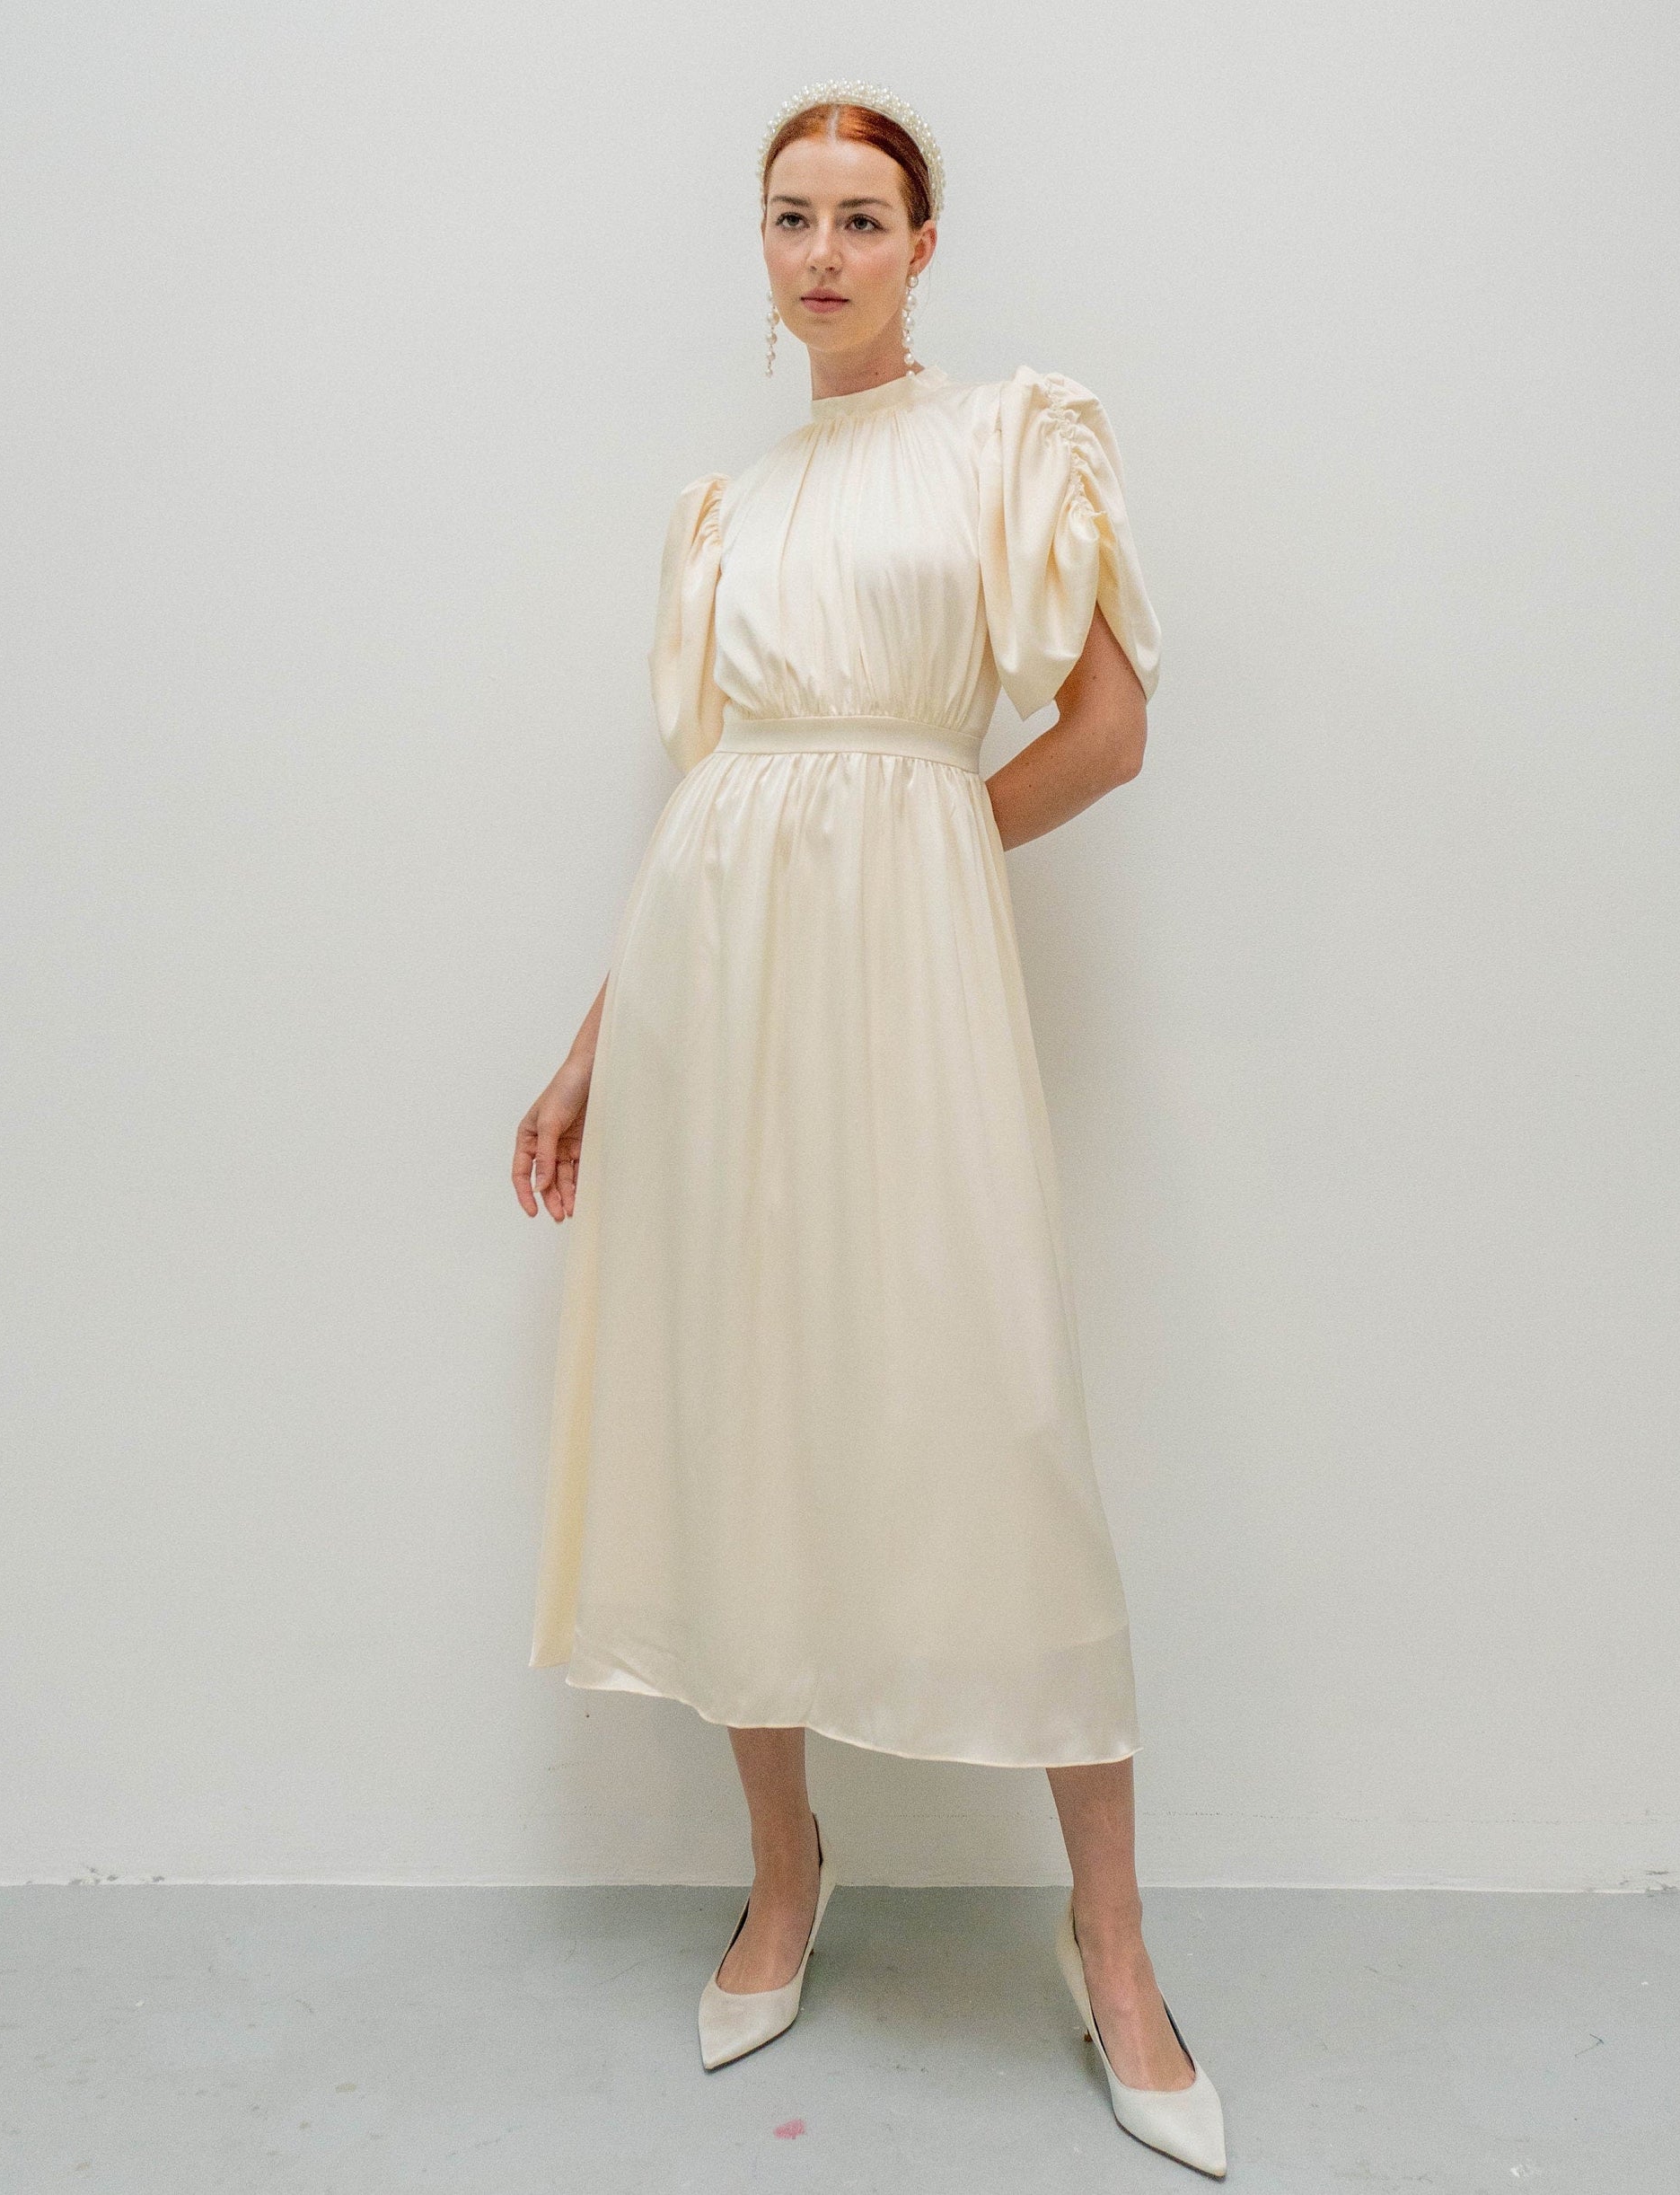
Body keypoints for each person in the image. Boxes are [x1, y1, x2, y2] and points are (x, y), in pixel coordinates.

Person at [512, 79, 1227, 2177]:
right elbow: (711, 807)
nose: (819, 250)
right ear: (761, 251)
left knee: (991, 1399)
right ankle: (782, 1870)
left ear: (922, 246)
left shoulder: (1009, 437)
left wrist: (918, 842)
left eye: (858, 216)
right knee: (744, 1400)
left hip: (904, 970)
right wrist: (588, 1047)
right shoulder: (721, 513)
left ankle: (1114, 1948)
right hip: (714, 980)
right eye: (787, 216)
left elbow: (1107, 730)